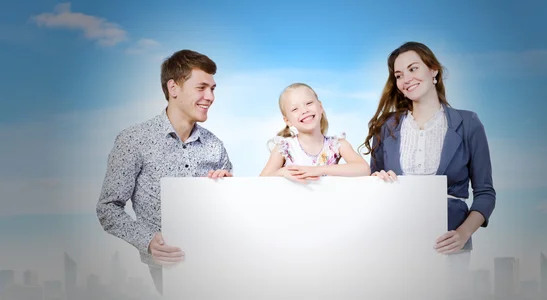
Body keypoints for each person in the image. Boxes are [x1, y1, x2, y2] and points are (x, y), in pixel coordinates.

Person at [359, 41, 496, 298]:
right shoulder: (386, 127)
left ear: (433, 70)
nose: (406, 79)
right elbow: (370, 183)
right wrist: (376, 180)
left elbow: (486, 192)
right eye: (399, 75)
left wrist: (463, 233)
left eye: (413, 69)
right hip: (394, 241)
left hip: (447, 245)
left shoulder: (468, 123)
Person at [96, 49, 233, 295]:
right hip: (169, 267)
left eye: (213, 89)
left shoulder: (216, 146)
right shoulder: (133, 140)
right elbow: (108, 208)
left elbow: (232, 209)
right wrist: (147, 240)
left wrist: (228, 188)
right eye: (201, 87)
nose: (210, 96)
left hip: (219, 262)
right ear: (174, 88)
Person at [260, 83, 370, 182]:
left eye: (309, 103)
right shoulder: (285, 148)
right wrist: (281, 173)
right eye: (295, 109)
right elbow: (261, 181)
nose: (304, 110)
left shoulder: (337, 145)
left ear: (320, 107)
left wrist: (317, 170)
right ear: (287, 121)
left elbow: (364, 169)